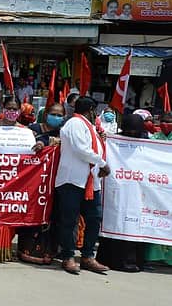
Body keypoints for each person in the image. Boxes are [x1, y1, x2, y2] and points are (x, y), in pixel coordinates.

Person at [0, 97, 45, 263]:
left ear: (20, 111)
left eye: (15, 109)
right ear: (3, 108)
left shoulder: (25, 131)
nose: (11, 112)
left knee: (8, 214)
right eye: (9, 108)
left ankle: (4, 249)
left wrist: (40, 145)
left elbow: (36, 148)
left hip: (14, 180)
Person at [55, 96, 110, 274]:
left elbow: (95, 149)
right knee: (69, 220)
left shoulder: (91, 127)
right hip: (72, 180)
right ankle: (68, 256)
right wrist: (102, 163)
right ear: (92, 110)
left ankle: (87, 256)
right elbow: (81, 150)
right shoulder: (75, 124)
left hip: (90, 181)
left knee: (94, 218)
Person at [16, 103, 66, 265]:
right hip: (33, 182)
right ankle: (26, 249)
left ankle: (48, 250)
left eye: (60, 115)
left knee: (52, 215)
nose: (57, 117)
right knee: (32, 211)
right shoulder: (32, 130)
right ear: (46, 115)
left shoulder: (64, 134)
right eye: (54, 114)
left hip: (54, 181)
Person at [96, 114, 148, 272]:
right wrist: (104, 139)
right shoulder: (114, 140)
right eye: (129, 131)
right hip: (117, 190)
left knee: (135, 225)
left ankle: (133, 261)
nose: (132, 134)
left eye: (135, 132)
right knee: (115, 222)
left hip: (140, 192)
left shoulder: (148, 143)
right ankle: (107, 259)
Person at [144, 112, 172, 267]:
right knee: (156, 220)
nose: (166, 124)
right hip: (157, 186)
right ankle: (153, 257)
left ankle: (169, 259)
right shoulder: (154, 139)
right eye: (164, 121)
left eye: (170, 122)